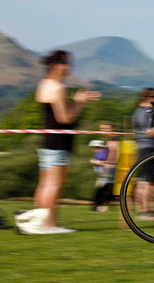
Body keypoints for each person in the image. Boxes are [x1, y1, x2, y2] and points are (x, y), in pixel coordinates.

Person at [15, 50, 100, 234]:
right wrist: (79, 102)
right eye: (66, 63)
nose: (69, 67)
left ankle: (37, 222)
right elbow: (65, 118)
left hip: (47, 142)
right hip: (59, 142)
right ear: (55, 66)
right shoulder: (57, 87)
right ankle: (49, 225)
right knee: (55, 185)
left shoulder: (44, 84)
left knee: (45, 184)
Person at [132, 88, 154, 220]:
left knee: (142, 180)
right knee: (151, 181)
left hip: (140, 146)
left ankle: (142, 209)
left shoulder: (137, 110)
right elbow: (151, 130)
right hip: (150, 146)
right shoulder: (148, 111)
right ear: (150, 97)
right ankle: (147, 210)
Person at [92, 122, 119, 212]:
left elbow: (117, 152)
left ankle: (101, 206)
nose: (104, 131)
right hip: (108, 166)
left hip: (111, 166)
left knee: (105, 186)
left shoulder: (115, 139)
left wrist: (112, 163)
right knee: (102, 185)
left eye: (106, 129)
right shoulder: (109, 139)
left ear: (112, 129)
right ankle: (99, 205)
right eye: (103, 129)